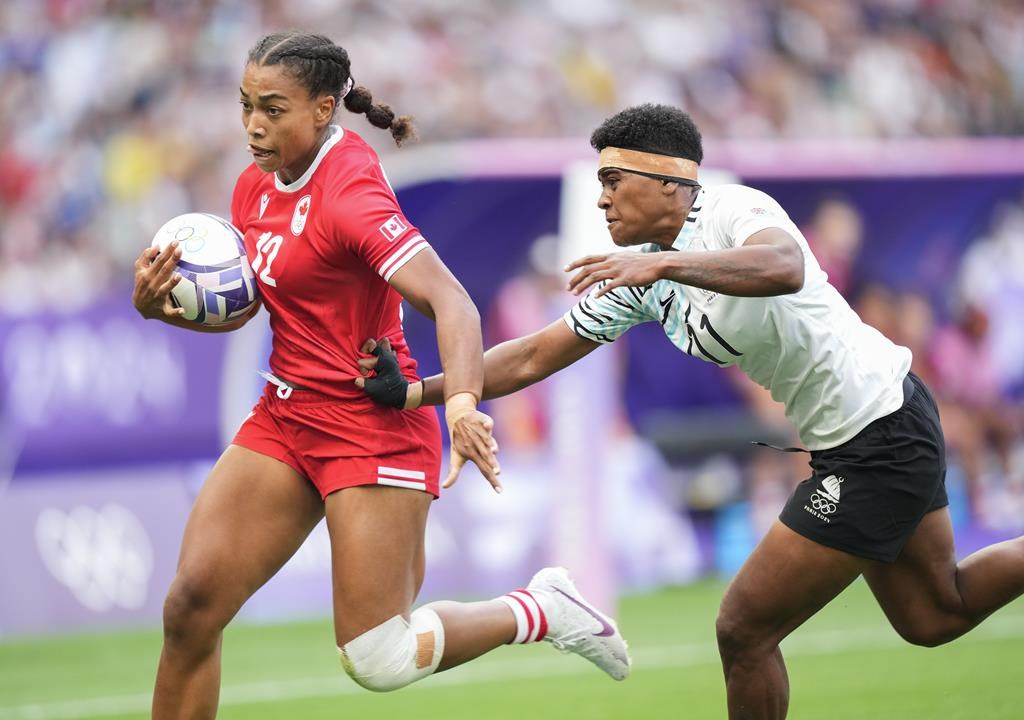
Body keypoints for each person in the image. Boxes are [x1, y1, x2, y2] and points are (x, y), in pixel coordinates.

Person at [357, 103, 1024, 720]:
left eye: (615, 178)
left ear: (672, 178)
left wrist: (665, 270)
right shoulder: (642, 273)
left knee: (744, 627)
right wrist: (418, 391)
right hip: (873, 430)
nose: (601, 196)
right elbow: (533, 355)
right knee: (937, 614)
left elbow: (785, 265)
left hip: (880, 431)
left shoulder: (731, 209)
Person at [131, 31, 629, 719]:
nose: (253, 123)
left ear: (323, 108)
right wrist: (161, 311)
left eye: (272, 108)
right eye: (245, 104)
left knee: (379, 657)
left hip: (371, 426)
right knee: (190, 608)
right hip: (286, 415)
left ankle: (540, 608)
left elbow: (452, 300)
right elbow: (252, 307)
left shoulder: (351, 193)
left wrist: (460, 405)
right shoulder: (252, 185)